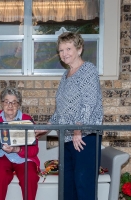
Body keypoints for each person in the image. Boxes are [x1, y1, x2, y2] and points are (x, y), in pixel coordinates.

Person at [35, 32, 103, 200]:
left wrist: (78, 130)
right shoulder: (65, 76)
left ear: (79, 49)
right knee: (67, 189)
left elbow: (89, 103)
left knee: (83, 187)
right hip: (66, 137)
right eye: (61, 50)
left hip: (84, 138)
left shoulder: (88, 70)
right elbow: (61, 111)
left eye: (68, 48)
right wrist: (47, 127)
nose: (64, 53)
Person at [0, 87, 40, 200]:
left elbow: (34, 150)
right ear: (2, 103)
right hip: (0, 156)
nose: (10, 105)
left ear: (18, 104)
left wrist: (17, 150)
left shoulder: (27, 120)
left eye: (14, 102)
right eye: (7, 102)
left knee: (30, 176)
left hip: (22, 158)